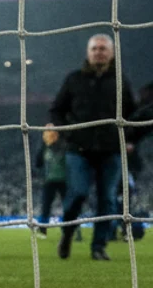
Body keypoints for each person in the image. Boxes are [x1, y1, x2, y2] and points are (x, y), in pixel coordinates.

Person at [50, 34, 138, 261]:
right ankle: (67, 233)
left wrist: (128, 138)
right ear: (88, 53)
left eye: (103, 48)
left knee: (107, 199)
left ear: (112, 53)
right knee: (77, 194)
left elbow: (132, 114)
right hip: (79, 150)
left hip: (110, 151)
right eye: (94, 48)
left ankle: (98, 246)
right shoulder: (74, 79)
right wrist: (68, 132)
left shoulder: (121, 81)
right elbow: (56, 110)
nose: (99, 52)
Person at [35, 125, 68, 239]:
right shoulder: (45, 147)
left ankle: (69, 229)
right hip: (49, 181)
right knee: (46, 206)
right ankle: (42, 230)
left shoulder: (63, 146)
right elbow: (38, 163)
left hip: (64, 180)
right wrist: (43, 146)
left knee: (68, 206)